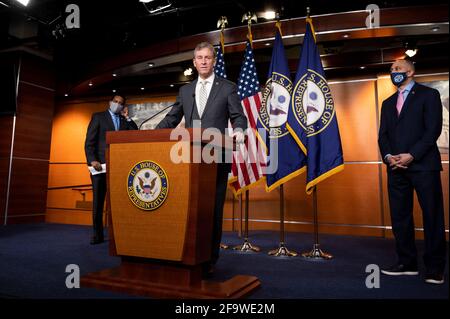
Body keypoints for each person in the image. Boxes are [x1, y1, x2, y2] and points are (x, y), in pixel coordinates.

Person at [156, 42, 247, 274]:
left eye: (208, 57)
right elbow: (172, 118)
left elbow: (239, 117)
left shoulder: (227, 87)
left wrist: (239, 131)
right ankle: (188, 255)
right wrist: (151, 134)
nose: (204, 61)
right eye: (200, 58)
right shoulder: (186, 91)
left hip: (216, 157)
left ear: (213, 61)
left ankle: (209, 260)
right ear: (194, 62)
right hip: (188, 160)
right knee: (189, 209)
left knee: (212, 210)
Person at [378, 59, 446, 284]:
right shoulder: (387, 103)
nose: (393, 72)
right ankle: (406, 263)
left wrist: (412, 155)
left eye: (397, 69)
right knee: (400, 217)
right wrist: (389, 157)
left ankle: (435, 268)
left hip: (423, 166)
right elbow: (383, 136)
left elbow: (432, 130)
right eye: (391, 70)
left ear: (411, 71)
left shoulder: (428, 95)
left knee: (432, 216)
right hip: (396, 168)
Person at [84, 95, 138, 245]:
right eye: (115, 102)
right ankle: (97, 235)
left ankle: (118, 235)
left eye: (121, 103)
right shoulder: (98, 117)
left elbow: (135, 132)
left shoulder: (123, 121)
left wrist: (127, 118)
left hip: (118, 168)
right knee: (98, 202)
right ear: (110, 102)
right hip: (99, 167)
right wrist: (92, 159)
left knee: (118, 203)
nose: (117, 105)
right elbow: (89, 142)